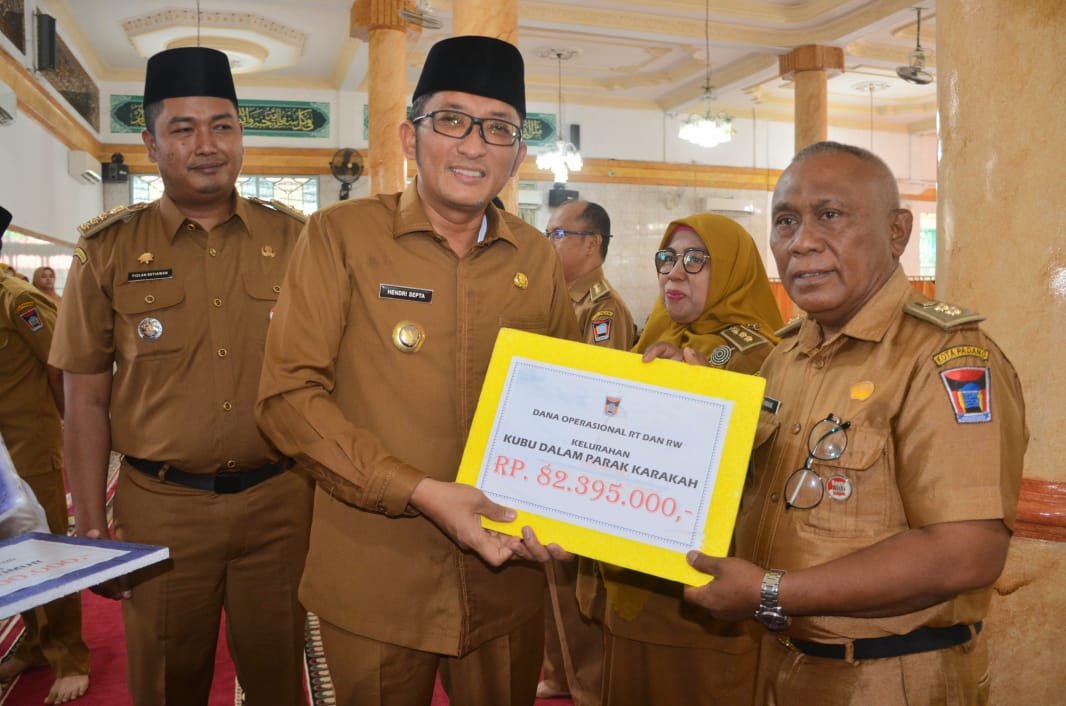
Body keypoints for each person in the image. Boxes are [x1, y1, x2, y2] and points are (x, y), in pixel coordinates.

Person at [255, 35, 579, 706]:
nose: (474, 146)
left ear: (518, 156)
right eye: (452, 120)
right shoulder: (340, 237)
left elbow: (573, 400)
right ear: (410, 136)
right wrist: (421, 492)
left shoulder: (537, 258)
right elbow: (287, 399)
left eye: (498, 129)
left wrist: (663, 387)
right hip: (377, 578)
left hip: (505, 578)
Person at [682, 141, 1028, 705]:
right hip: (781, 661)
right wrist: (681, 408)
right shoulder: (785, 355)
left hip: (890, 677)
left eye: (830, 215)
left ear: (897, 232)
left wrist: (771, 591)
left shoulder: (943, 358)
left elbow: (966, 553)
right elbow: (746, 491)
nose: (802, 242)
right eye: (785, 221)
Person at [49, 47, 314, 706]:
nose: (207, 145)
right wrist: (89, 526)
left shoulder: (298, 242)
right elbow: (86, 399)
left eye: (222, 126)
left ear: (241, 135)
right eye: (183, 128)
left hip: (280, 505)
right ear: (150, 143)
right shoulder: (108, 249)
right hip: (161, 510)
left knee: (280, 679)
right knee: (167, 684)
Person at [590, 213, 783, 706]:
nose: (675, 272)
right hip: (630, 577)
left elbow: (767, 472)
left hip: (699, 599)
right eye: (668, 258)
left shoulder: (760, 357)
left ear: (734, 270)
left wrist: (702, 405)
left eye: (697, 260)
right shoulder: (656, 337)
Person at [538, 199, 633, 704]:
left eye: (557, 234)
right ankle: (560, 672)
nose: (548, 243)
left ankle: (590, 686)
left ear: (591, 243)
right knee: (553, 577)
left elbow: (601, 395)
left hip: (581, 459)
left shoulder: (603, 310)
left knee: (578, 584)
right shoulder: (560, 299)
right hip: (553, 452)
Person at [0, 205, 90, 705]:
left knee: (46, 548)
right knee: (9, 554)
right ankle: (35, 643)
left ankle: (70, 656)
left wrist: (76, 435)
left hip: (27, 450)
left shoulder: (19, 301)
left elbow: (63, 366)